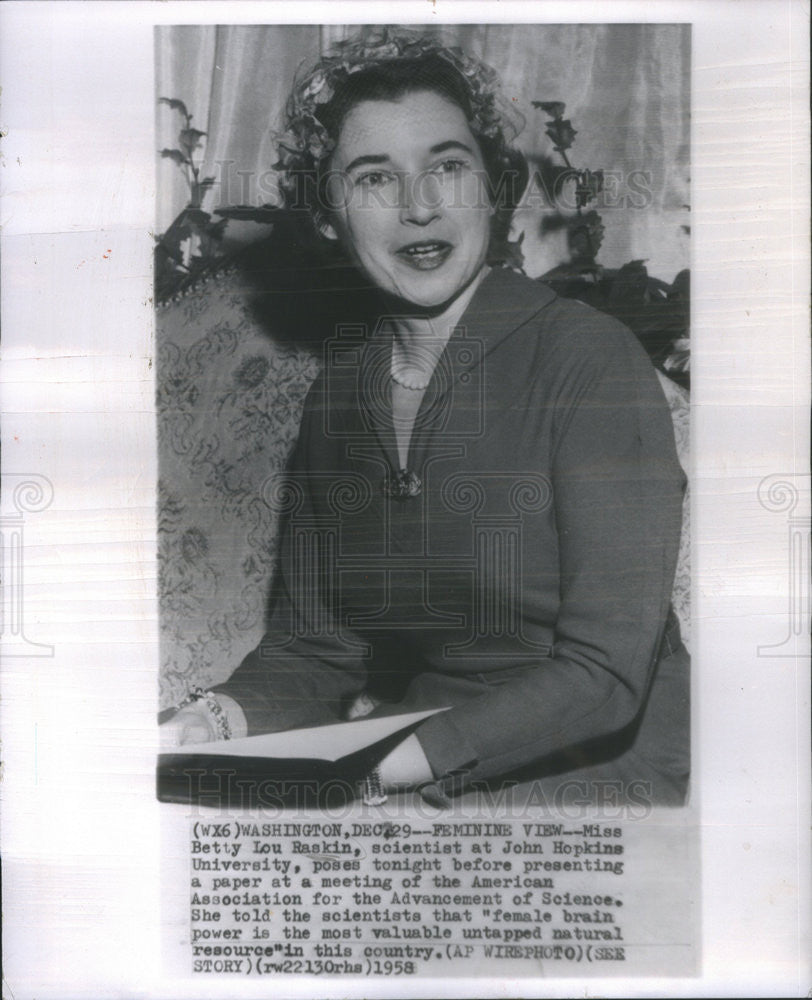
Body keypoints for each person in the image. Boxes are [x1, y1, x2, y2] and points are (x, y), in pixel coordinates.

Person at [160, 31, 689, 808]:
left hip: (597, 764)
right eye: (375, 179)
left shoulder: (587, 358)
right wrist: (204, 723)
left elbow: (606, 672)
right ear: (331, 221)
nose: (420, 207)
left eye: (448, 166)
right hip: (415, 751)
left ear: (490, 186)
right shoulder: (339, 394)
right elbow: (317, 648)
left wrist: (388, 767)